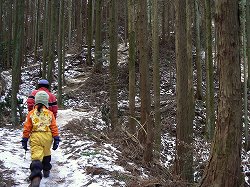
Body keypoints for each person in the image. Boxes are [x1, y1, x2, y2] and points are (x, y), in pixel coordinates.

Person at [21, 91, 60, 187]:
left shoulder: (31, 113)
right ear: (46, 102)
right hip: (47, 137)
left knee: (37, 157)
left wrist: (25, 139)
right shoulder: (50, 113)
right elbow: (54, 127)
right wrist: (56, 138)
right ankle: (46, 169)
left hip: (35, 137)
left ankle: (36, 177)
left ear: (36, 101)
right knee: (46, 153)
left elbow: (27, 127)